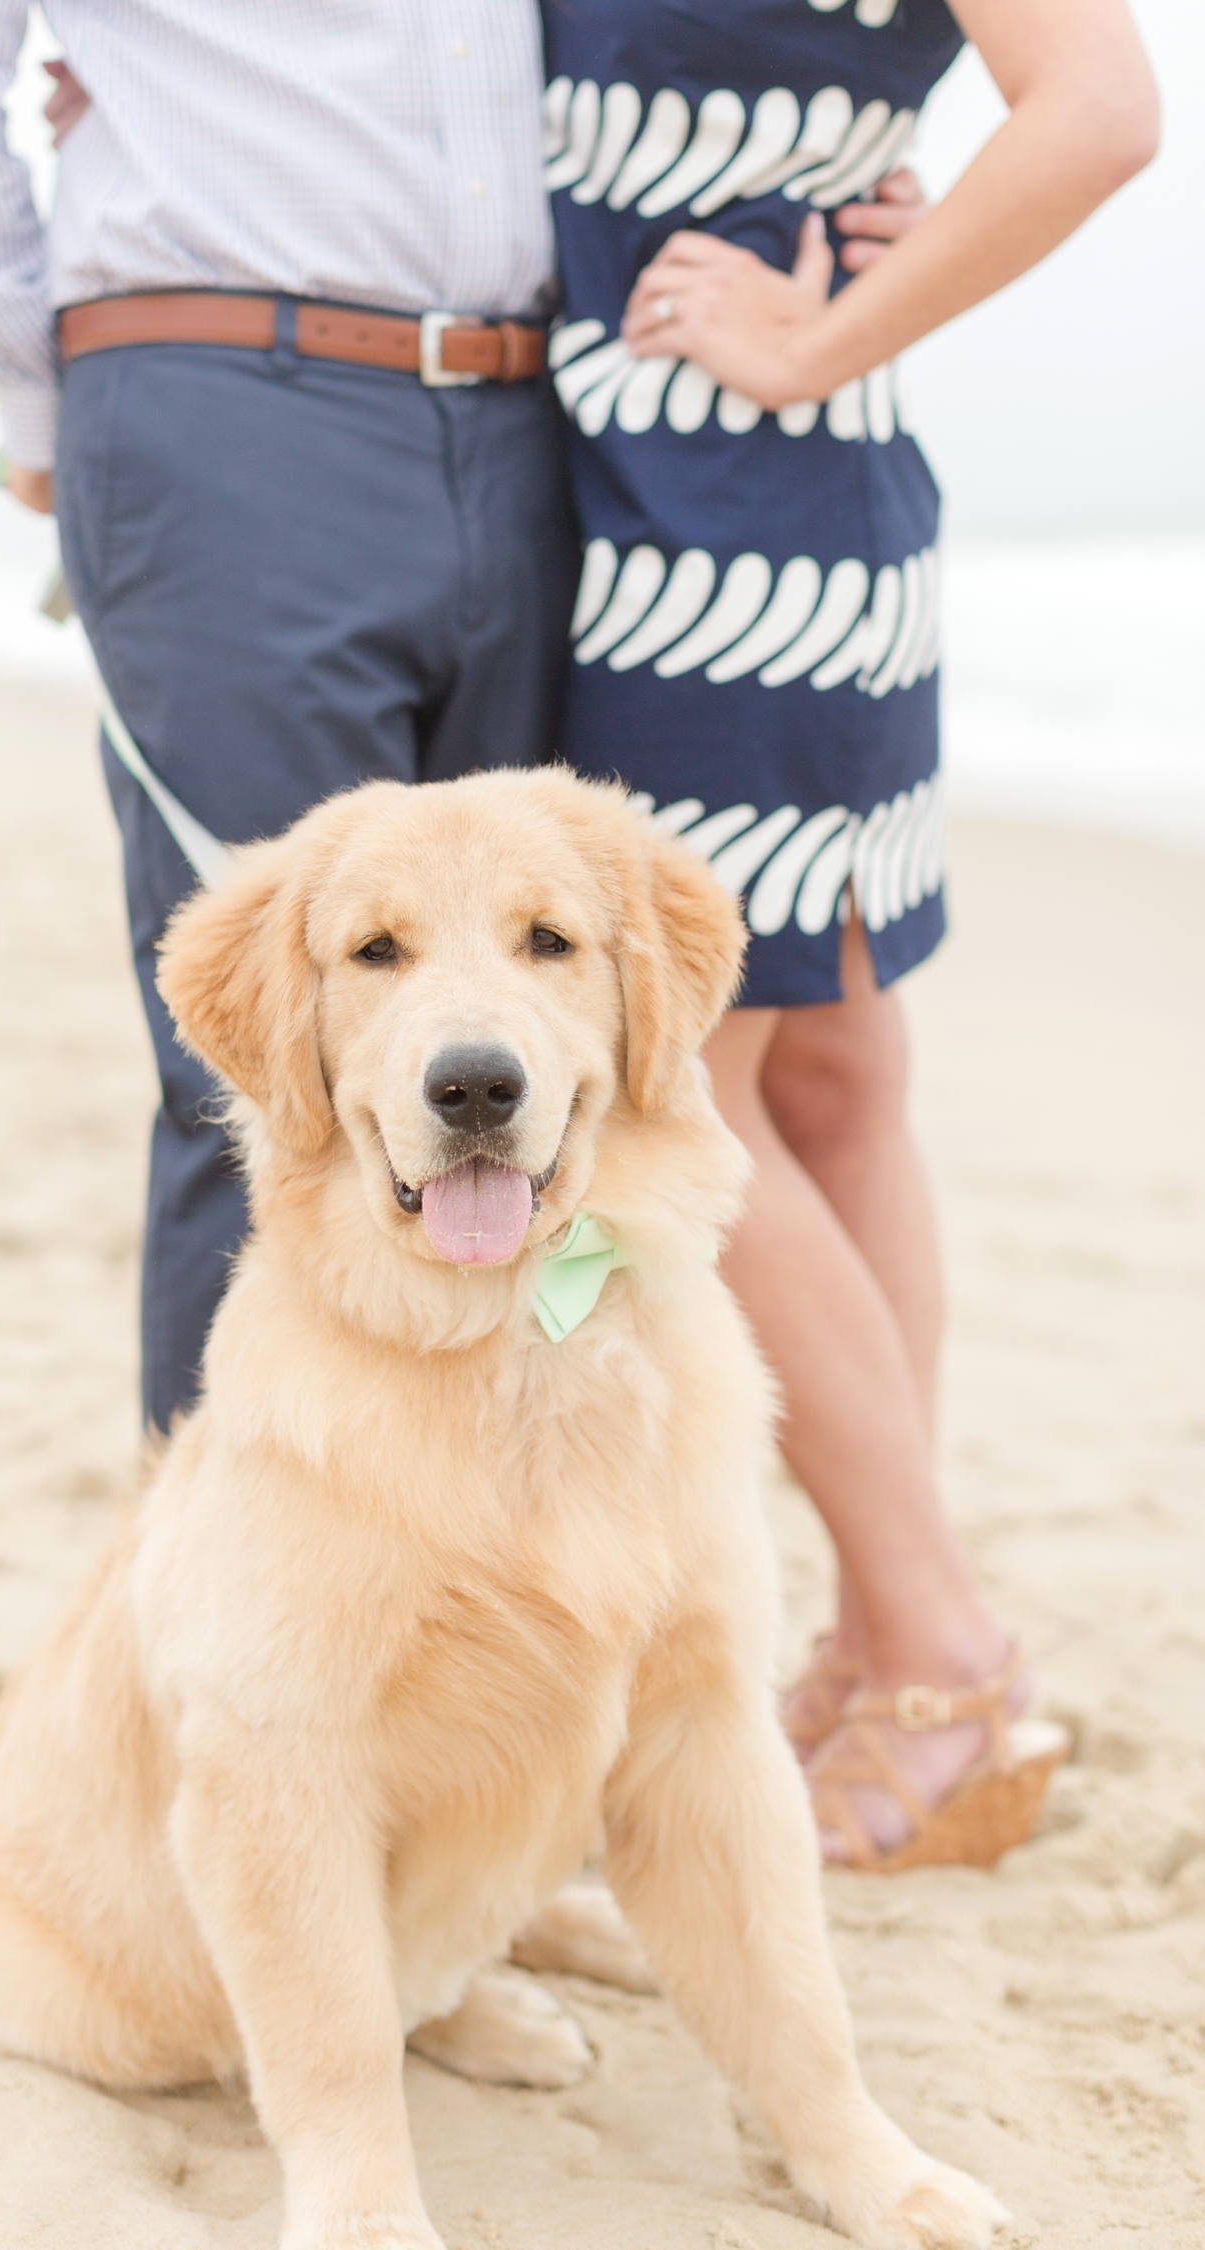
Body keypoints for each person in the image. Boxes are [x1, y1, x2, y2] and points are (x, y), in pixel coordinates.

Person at [541, 0, 1158, 1866]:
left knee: (695, 1108)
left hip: (719, 529)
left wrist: (814, 337)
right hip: (752, 500)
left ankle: (939, 1642)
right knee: (830, 1074)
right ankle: (887, 1626)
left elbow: (1104, 108)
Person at [0, 0, 583, 1437]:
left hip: (549, 417)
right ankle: (236, 1618)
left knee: (538, 1048)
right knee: (267, 1065)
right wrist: (28, 378)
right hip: (231, 399)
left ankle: (481, 1569)